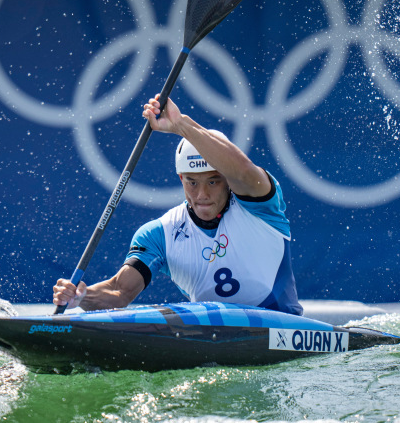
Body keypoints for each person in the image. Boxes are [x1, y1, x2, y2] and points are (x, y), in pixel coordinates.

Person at [52, 94, 302, 315]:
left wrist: (181, 124)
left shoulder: (260, 205)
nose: (202, 194)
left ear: (227, 179)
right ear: (181, 179)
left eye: (213, 182)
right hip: (216, 342)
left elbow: (244, 171)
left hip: (284, 330)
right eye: (192, 183)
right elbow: (120, 291)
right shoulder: (159, 234)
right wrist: (81, 296)